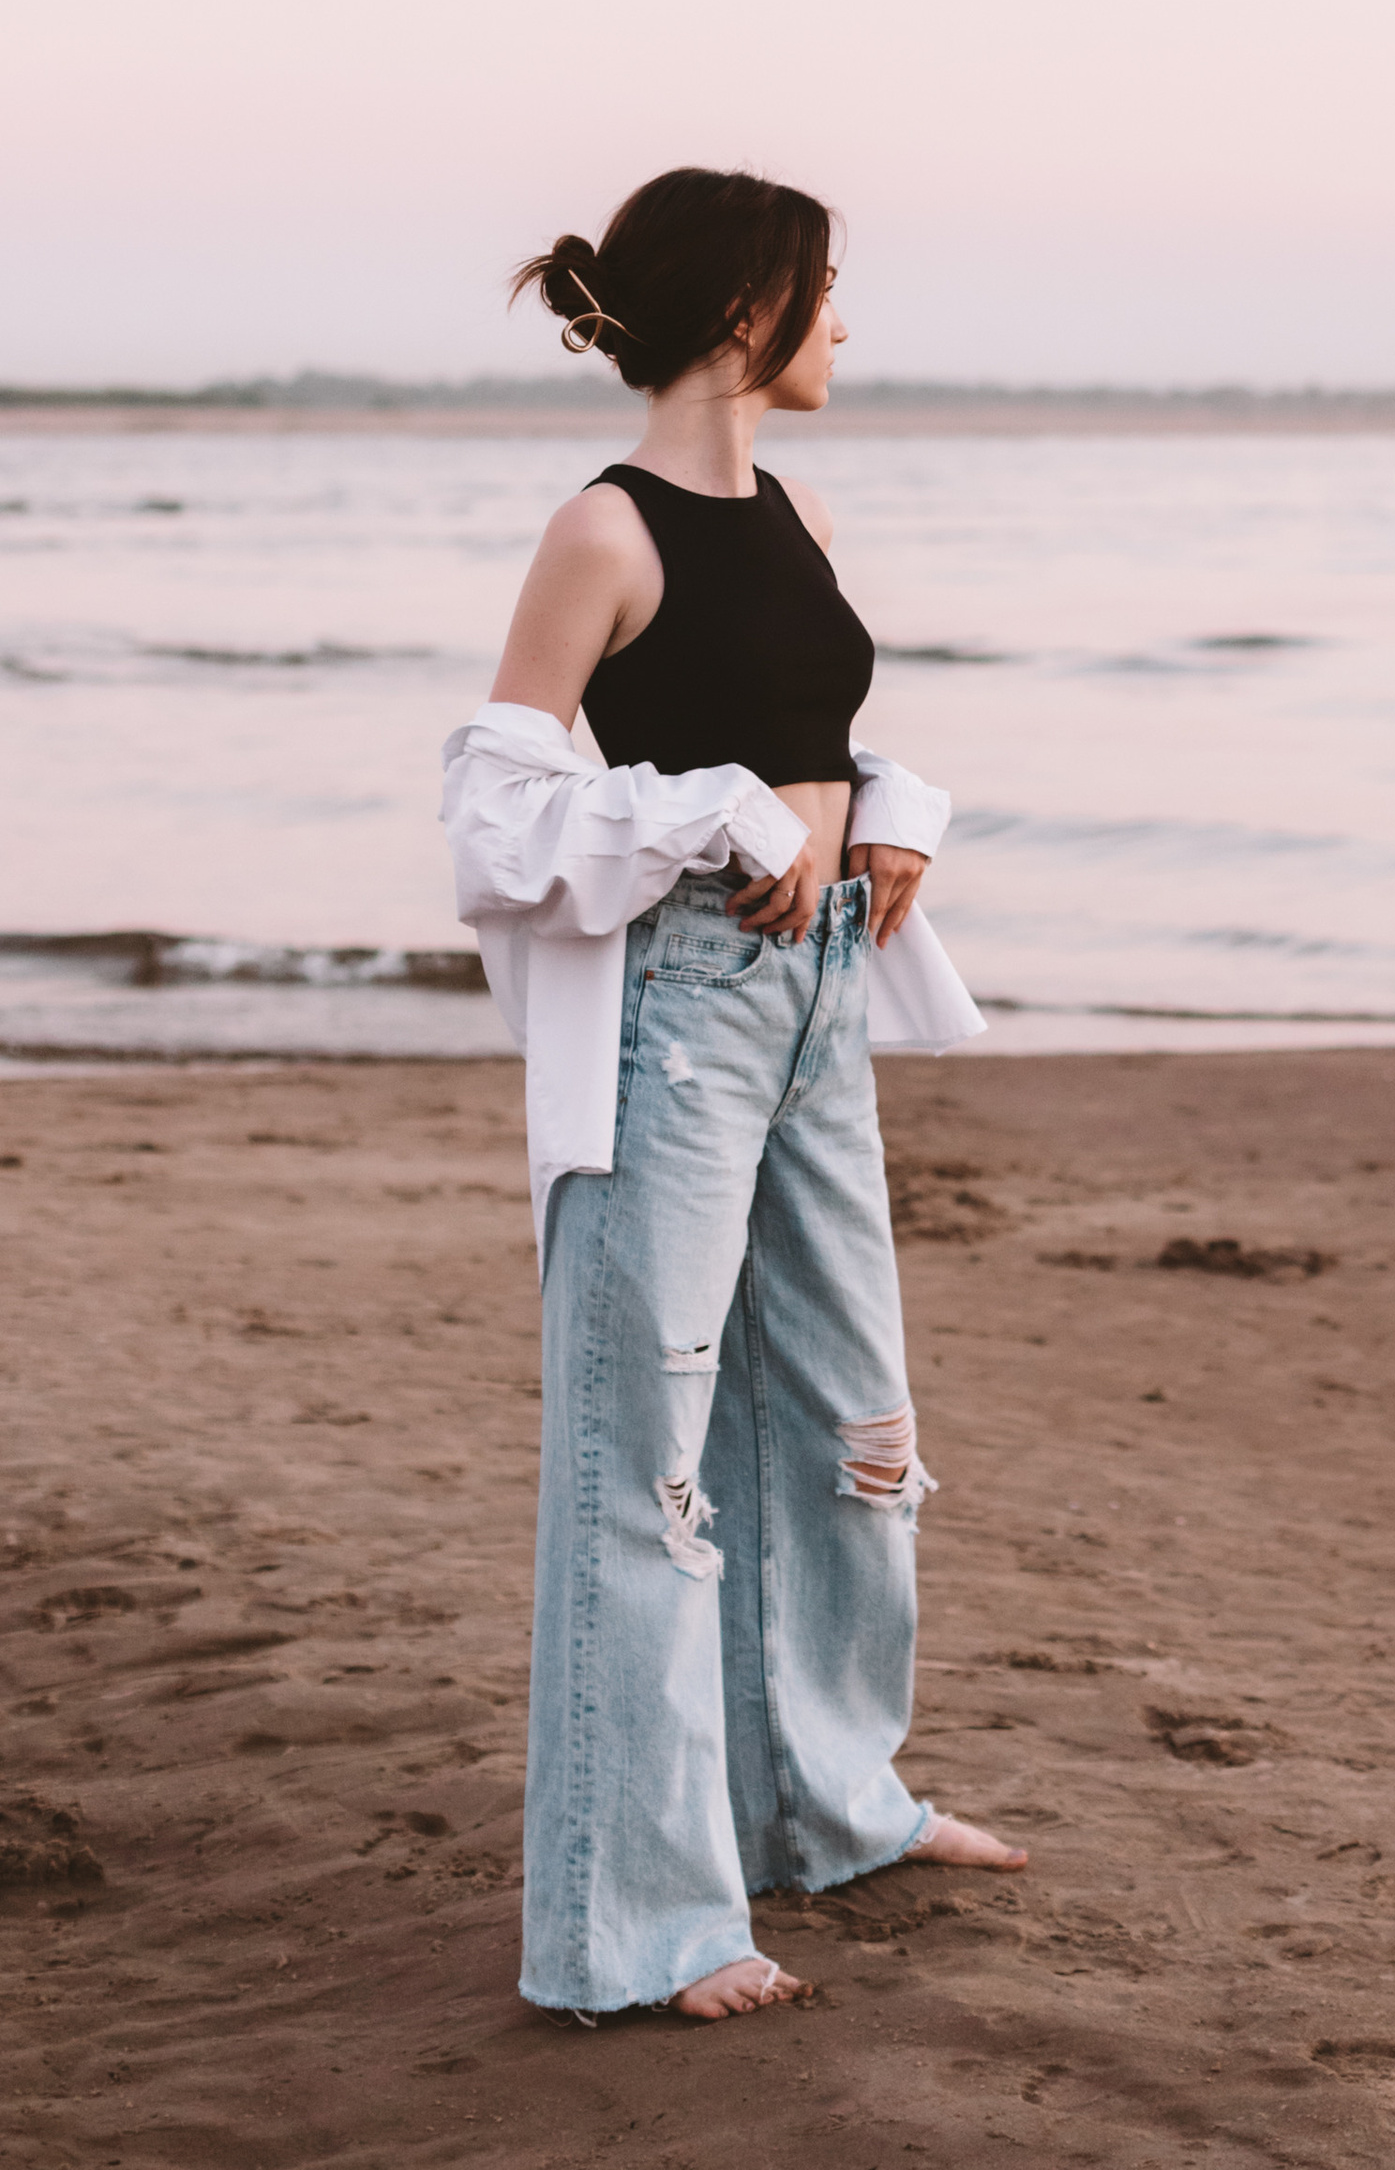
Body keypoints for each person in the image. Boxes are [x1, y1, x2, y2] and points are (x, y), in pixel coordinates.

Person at [440, 164, 1023, 2024]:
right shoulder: (600, 534)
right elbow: (497, 816)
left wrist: (889, 830)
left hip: (819, 999)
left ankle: (829, 1803)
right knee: (652, 1467)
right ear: (752, 316)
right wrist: (712, 818)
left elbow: (815, 744)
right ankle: (644, 1924)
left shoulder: (804, 510)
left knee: (852, 1422)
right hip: (670, 1027)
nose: (847, 326)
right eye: (828, 293)